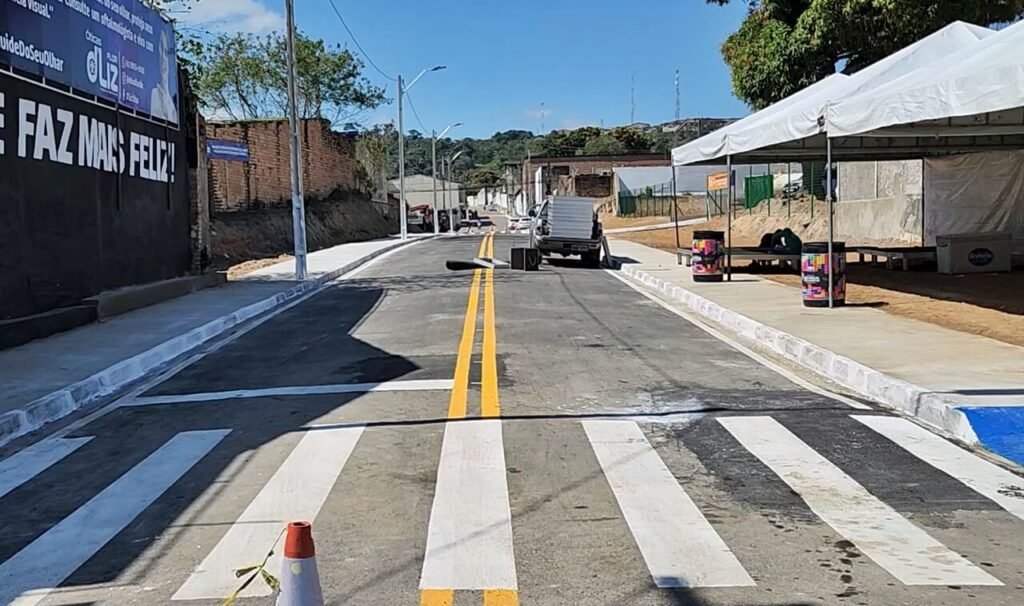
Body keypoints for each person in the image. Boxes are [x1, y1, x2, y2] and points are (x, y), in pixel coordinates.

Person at [149, 30, 178, 123]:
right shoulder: (155, 94)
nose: (163, 60)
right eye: (161, 51)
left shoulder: (172, 105)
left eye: (166, 52)